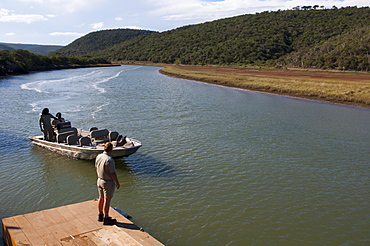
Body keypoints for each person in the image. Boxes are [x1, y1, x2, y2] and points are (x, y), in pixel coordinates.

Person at [95, 142, 120, 225]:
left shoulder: (99, 156)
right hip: (108, 182)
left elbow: (96, 167)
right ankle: (106, 218)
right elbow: (113, 173)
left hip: (99, 180)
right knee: (107, 200)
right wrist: (117, 182)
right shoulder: (109, 160)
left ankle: (100, 215)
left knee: (101, 198)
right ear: (111, 149)